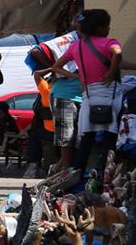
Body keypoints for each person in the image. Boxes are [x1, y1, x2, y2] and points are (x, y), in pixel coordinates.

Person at [49, 9, 123, 172]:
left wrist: (78, 77)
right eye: (107, 26)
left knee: (86, 140)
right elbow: (117, 54)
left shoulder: (76, 46)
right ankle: (107, 174)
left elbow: (56, 67)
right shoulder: (109, 42)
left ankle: (78, 174)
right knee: (110, 139)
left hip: (89, 97)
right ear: (99, 28)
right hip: (111, 96)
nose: (109, 29)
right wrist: (111, 72)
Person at [27, 30, 82, 174]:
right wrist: (58, 68)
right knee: (72, 140)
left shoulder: (46, 89)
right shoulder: (49, 89)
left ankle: (34, 164)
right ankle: (60, 167)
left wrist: (55, 69)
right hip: (54, 130)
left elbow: (38, 74)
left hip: (50, 132)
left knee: (33, 135)